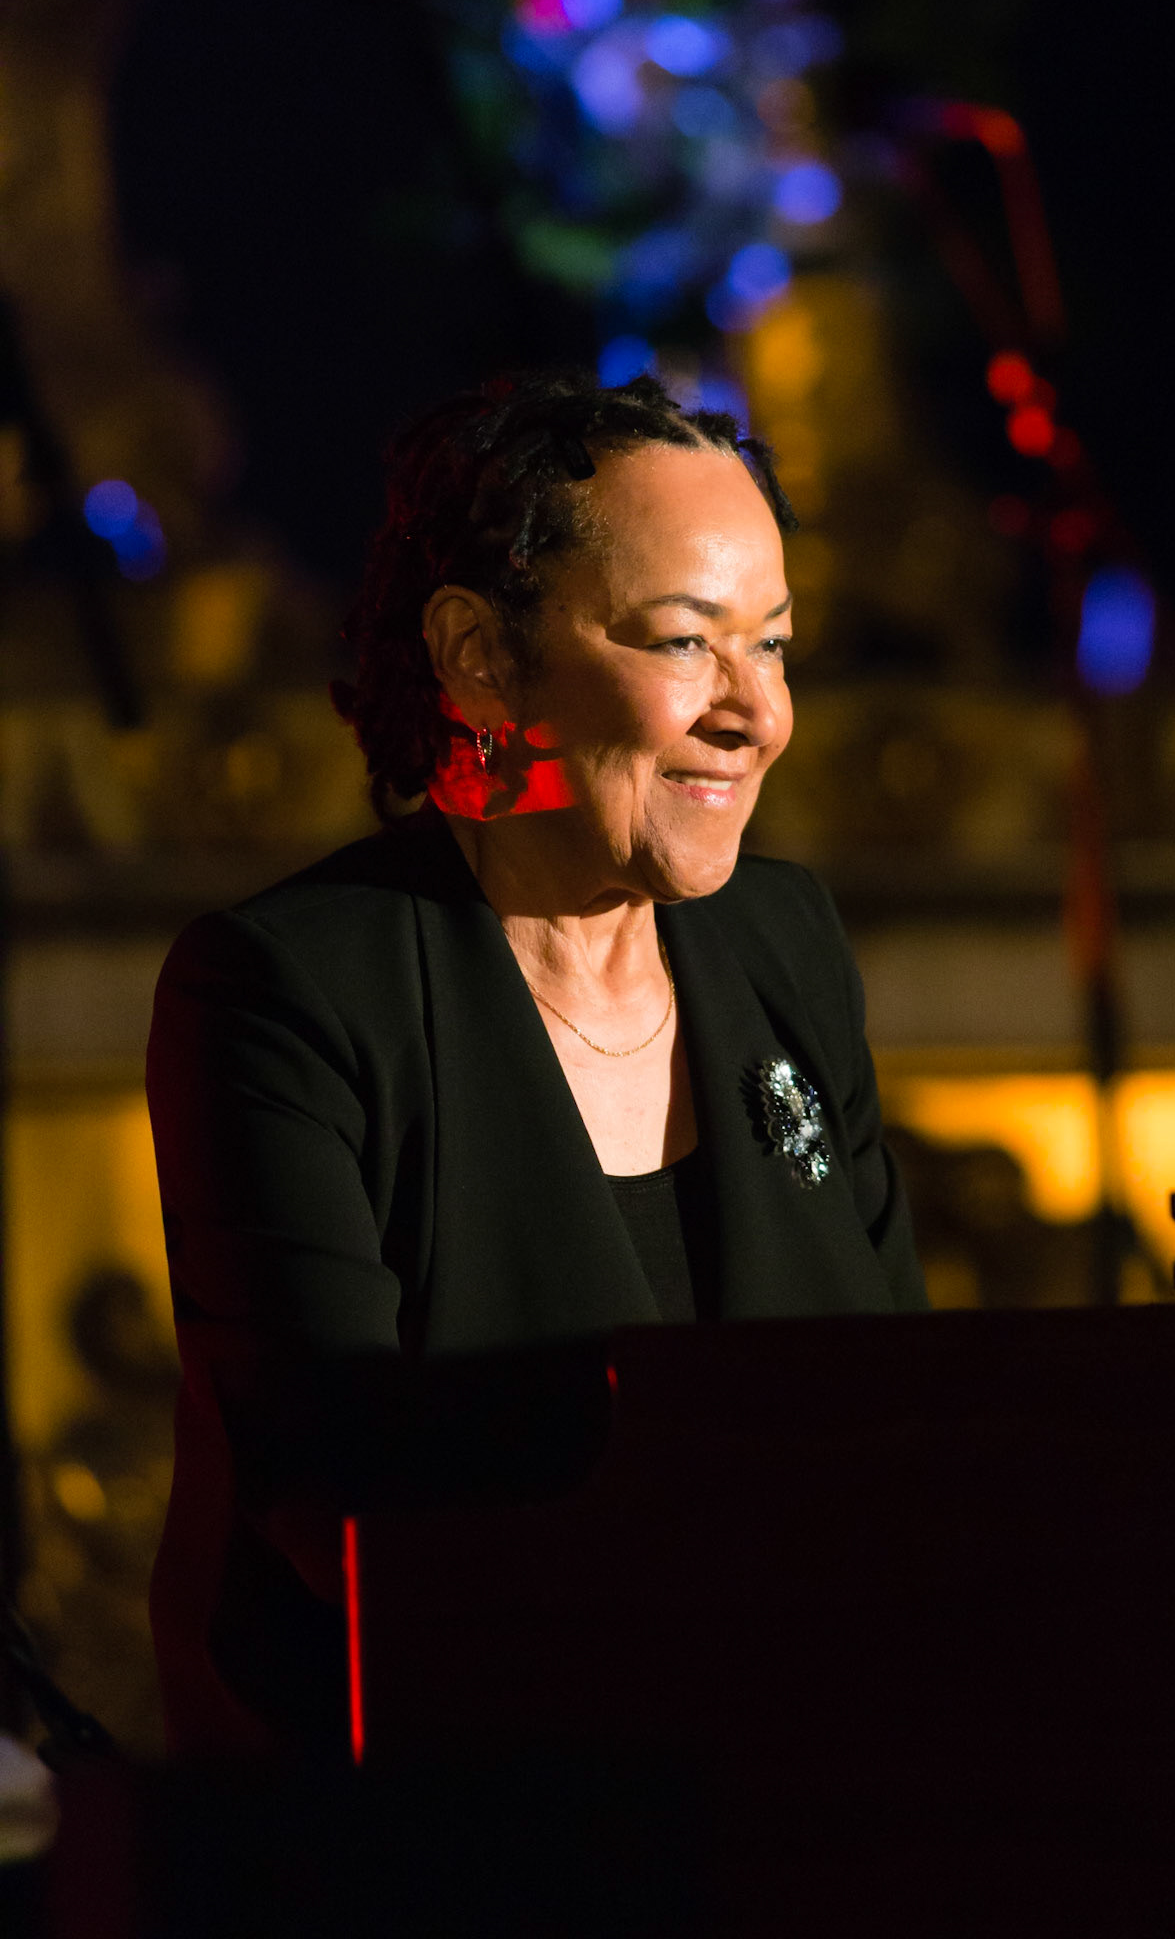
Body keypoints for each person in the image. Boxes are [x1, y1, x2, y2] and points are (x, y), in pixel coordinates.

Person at [145, 369, 927, 1757]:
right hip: (460, 1811)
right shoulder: (291, 991)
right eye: (687, 643)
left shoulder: (784, 941)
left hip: (815, 1775)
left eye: (777, 647)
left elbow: (898, 1420)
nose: (756, 712)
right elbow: (341, 1506)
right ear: (480, 656)